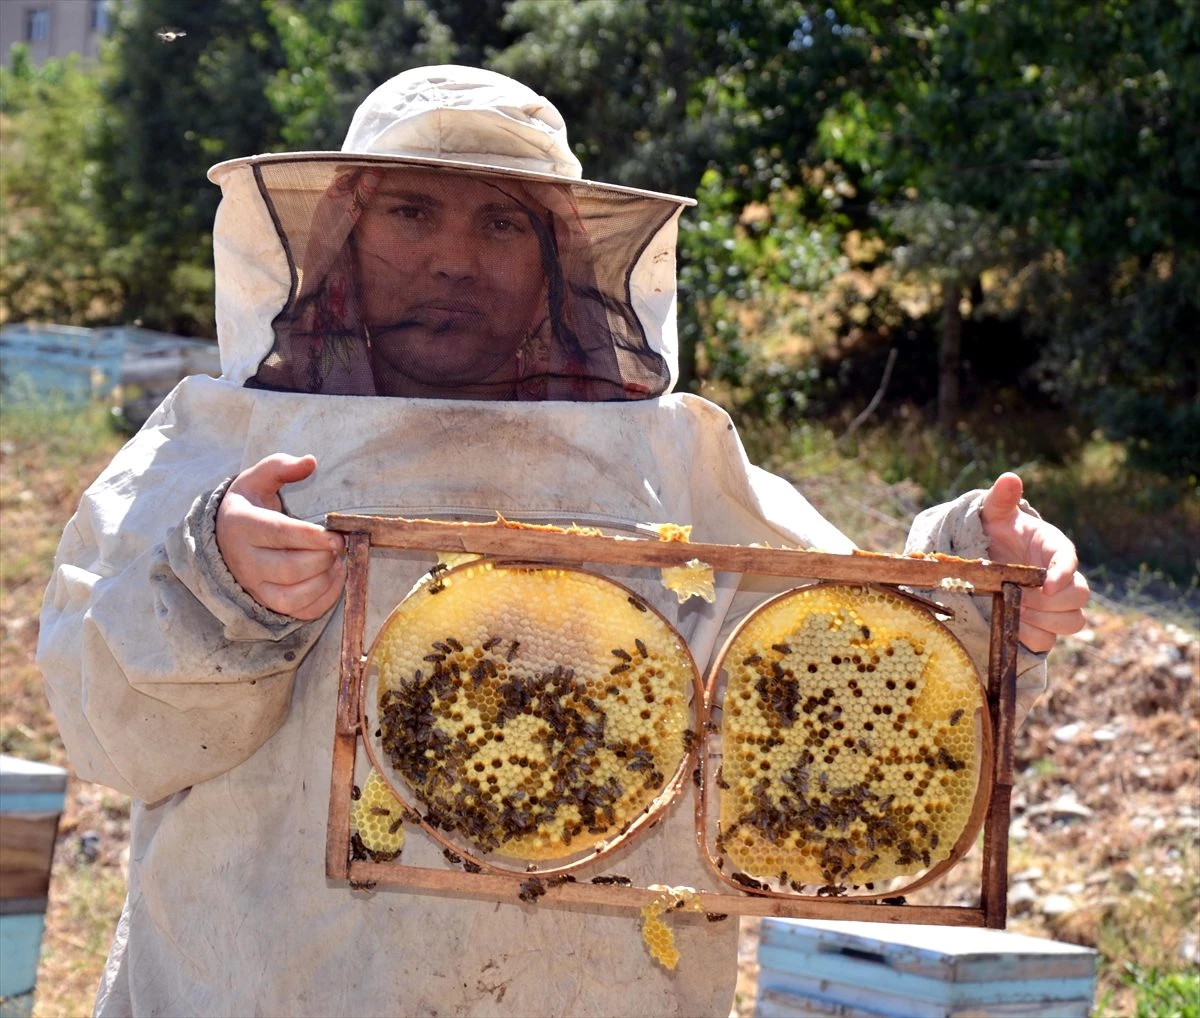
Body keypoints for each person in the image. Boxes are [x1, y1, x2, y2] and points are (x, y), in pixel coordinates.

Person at [37, 66, 1088, 1018]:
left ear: (558, 259)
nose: (453, 258)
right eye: (411, 212)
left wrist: (984, 572)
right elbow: (111, 732)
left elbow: (843, 667)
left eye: (501, 223)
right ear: (344, 235)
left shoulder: (670, 461)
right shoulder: (211, 445)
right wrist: (214, 579)